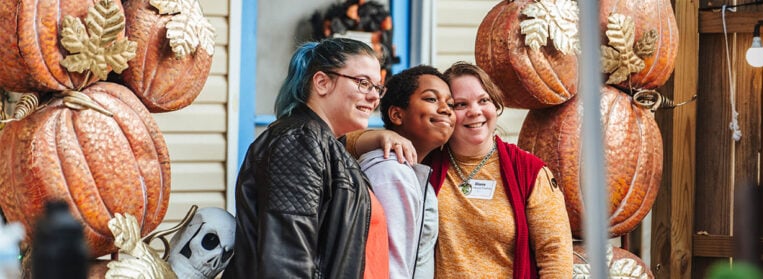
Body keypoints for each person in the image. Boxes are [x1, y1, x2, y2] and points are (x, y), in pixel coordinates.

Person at [346, 61, 573, 278]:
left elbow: (556, 259)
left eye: (483, 100)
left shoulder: (529, 172)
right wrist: (382, 135)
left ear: (495, 105)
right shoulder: (424, 159)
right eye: (460, 104)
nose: (475, 111)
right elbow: (342, 142)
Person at [224, 38, 389, 279]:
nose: (374, 97)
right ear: (322, 82)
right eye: (363, 83)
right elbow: (286, 262)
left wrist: (379, 138)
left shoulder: (325, 146)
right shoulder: (298, 142)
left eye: (378, 87)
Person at [355, 65, 453, 279]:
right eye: (431, 99)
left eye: (451, 103)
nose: (446, 109)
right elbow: (391, 266)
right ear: (397, 114)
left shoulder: (409, 170)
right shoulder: (392, 170)